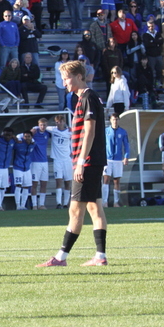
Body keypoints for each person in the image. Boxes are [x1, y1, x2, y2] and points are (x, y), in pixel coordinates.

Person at [38, 60, 108, 268]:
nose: (64, 83)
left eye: (66, 78)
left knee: (75, 210)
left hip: (88, 162)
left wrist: (80, 162)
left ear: (78, 76)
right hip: (92, 161)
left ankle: (61, 257)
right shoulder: (83, 98)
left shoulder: (88, 97)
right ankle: (100, 256)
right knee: (94, 208)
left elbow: (90, 131)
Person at [102, 113, 130, 208]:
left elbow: (126, 145)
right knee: (106, 179)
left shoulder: (123, 132)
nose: (115, 121)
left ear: (119, 120)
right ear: (110, 120)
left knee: (116, 181)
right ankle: (104, 202)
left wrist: (126, 156)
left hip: (118, 159)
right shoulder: (106, 131)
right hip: (107, 159)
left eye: (116, 119)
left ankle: (116, 202)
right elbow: (101, 144)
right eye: (113, 119)